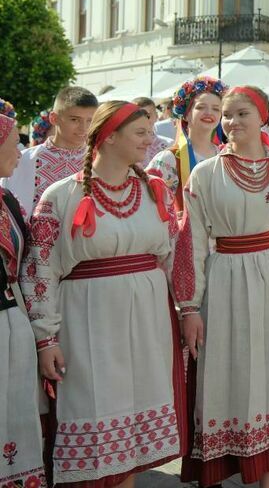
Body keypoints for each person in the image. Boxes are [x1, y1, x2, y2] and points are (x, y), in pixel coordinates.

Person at [22, 101, 183, 488]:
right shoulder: (61, 196)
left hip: (147, 320)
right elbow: (40, 271)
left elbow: (172, 254)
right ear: (109, 138)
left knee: (132, 431)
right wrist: (46, 339)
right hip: (89, 320)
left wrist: (185, 310)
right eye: (140, 133)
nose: (150, 140)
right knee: (95, 412)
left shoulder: (155, 191)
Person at [179, 85, 269, 488]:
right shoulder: (205, 174)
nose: (231, 122)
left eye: (242, 113)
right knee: (226, 370)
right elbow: (191, 242)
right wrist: (188, 306)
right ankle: (216, 473)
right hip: (225, 278)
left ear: (263, 117)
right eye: (227, 115)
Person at [147, 76, 226, 306]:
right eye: (201, 107)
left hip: (222, 250)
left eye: (216, 108)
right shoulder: (168, 159)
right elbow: (153, 207)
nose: (209, 113)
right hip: (181, 251)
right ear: (186, 112)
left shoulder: (226, 156)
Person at [1, 112, 46, 488]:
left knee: (16, 411)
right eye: (13, 141)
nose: (19, 150)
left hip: (12, 320)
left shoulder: (8, 200)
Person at [1, 86, 99, 220]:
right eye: (74, 119)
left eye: (90, 120)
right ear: (54, 118)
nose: (84, 127)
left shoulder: (100, 161)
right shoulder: (21, 160)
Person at [134, 96, 175, 166]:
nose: (143, 119)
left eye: (148, 115)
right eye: (137, 115)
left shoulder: (169, 145)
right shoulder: (127, 145)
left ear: (156, 116)